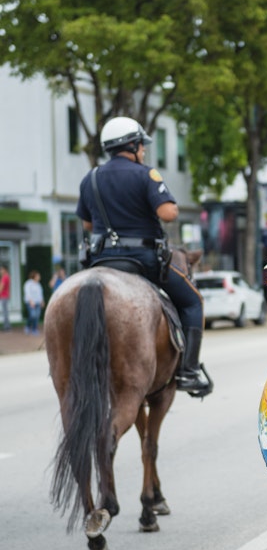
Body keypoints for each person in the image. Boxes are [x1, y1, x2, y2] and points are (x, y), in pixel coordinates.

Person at [76, 116, 212, 398]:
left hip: (101, 260)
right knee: (193, 301)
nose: (145, 151)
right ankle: (187, 371)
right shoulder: (146, 174)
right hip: (142, 260)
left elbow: (88, 225)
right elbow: (168, 213)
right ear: (133, 144)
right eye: (143, 146)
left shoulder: (90, 178)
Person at [23, 270, 45, 334]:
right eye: (38, 276)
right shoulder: (28, 283)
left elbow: (40, 294)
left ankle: (34, 329)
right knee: (32, 315)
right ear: (34, 276)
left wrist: (42, 301)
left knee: (37, 316)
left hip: (37, 303)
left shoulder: (38, 285)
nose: (39, 277)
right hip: (30, 303)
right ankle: (27, 326)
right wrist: (31, 301)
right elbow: (27, 293)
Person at [0, 265, 11, 330]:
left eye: (1, 269)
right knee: (5, 311)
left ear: (5, 270)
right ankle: (7, 326)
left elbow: (1, 287)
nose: (0, 271)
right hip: (6, 296)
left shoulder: (5, 277)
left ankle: (6, 326)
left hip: (3, 296)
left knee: (5, 312)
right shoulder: (7, 276)